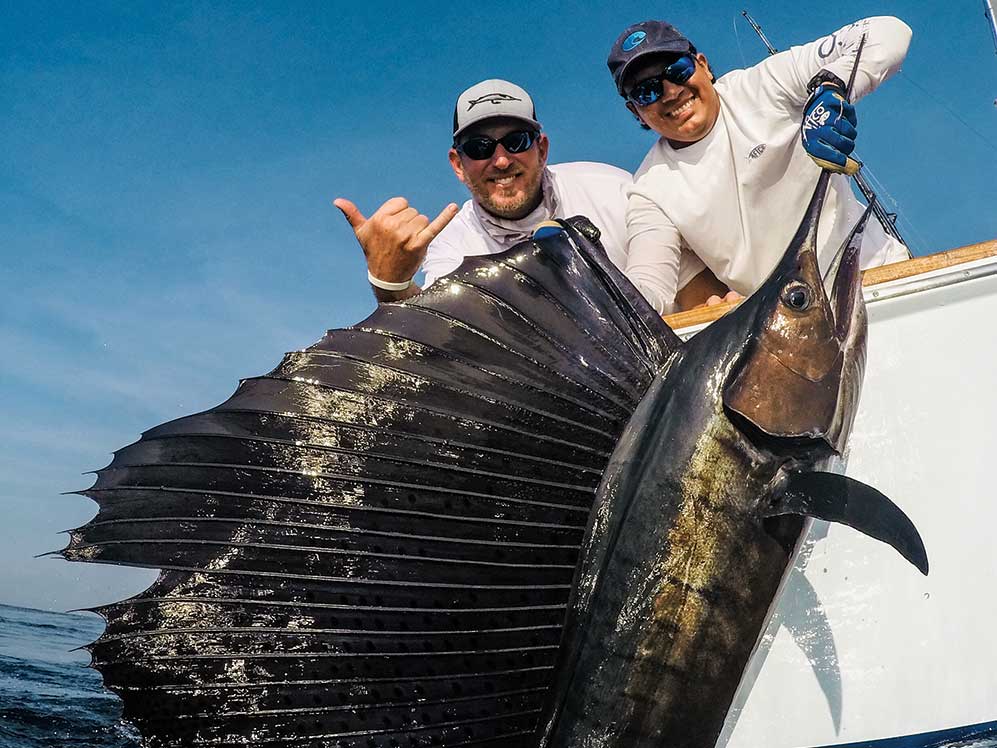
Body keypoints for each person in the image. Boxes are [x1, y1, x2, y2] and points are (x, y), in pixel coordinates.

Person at [607, 16, 912, 314]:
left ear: (702, 65)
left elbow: (889, 32)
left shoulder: (766, 85)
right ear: (635, 111)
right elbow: (646, 290)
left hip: (882, 283)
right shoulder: (649, 191)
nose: (671, 93)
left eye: (677, 71)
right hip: (793, 329)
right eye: (647, 91)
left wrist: (831, 88)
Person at [334, 79, 641, 304]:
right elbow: (440, 329)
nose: (502, 160)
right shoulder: (451, 246)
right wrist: (390, 282)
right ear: (458, 164)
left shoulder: (612, 188)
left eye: (517, 141)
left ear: (542, 149)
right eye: (479, 148)